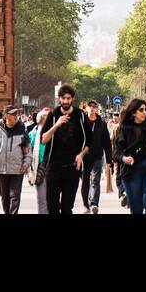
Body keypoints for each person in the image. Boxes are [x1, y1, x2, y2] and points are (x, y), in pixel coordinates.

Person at [39, 85, 88, 215]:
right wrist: (56, 125)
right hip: (53, 168)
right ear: (59, 98)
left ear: (72, 99)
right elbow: (43, 139)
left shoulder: (80, 115)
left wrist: (81, 155)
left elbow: (89, 141)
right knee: (52, 206)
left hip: (72, 168)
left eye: (68, 98)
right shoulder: (53, 115)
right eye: (63, 98)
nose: (65, 101)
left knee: (67, 207)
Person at [0, 106, 32, 214]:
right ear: (6, 116)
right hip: (1, 170)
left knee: (15, 197)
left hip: (17, 170)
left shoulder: (22, 129)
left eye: (16, 114)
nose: (16, 116)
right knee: (4, 198)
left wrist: (26, 164)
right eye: (13, 114)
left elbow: (28, 151)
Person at [79, 99, 112, 214]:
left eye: (94, 106)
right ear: (86, 108)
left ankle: (94, 204)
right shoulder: (82, 122)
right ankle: (85, 205)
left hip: (97, 156)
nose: (92, 108)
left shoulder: (101, 123)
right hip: (84, 157)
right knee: (85, 181)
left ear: (97, 109)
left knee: (95, 180)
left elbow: (107, 142)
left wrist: (109, 160)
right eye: (90, 106)